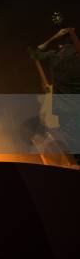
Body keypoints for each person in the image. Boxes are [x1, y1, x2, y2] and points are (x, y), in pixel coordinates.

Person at [31, 27, 80, 164]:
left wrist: (54, 37)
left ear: (60, 45)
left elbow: (36, 53)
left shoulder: (54, 57)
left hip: (66, 111)